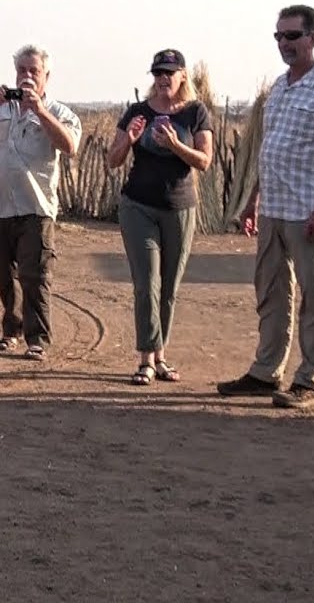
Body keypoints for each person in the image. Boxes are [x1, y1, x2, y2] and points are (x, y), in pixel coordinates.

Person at [217, 5, 314, 410]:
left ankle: (310, 379)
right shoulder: (279, 89)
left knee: (313, 296)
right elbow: (271, 151)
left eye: (292, 36)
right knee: (271, 292)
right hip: (274, 210)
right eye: (279, 36)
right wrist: (253, 200)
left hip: (308, 212)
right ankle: (266, 371)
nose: (284, 43)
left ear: (312, 38)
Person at [0, 44, 82, 362]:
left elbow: (70, 146)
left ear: (46, 77)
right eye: (21, 70)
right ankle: (11, 330)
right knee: (0, 269)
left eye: (34, 71)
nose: (27, 76)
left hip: (35, 207)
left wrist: (40, 111)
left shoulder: (58, 113)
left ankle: (37, 338)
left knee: (35, 273)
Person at [106, 49, 214, 385]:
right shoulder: (137, 112)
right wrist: (129, 139)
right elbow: (113, 160)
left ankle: (161, 356)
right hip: (138, 206)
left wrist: (175, 145)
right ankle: (146, 359)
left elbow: (204, 161)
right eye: (157, 73)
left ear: (183, 76)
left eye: (169, 72)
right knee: (147, 283)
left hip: (180, 209)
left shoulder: (195, 112)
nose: (163, 78)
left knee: (168, 287)